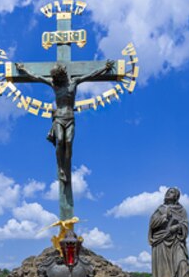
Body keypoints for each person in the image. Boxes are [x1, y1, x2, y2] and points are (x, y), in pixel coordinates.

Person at [14, 60, 115, 211]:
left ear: (62, 74)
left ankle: (66, 166)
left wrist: (104, 68)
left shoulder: (74, 82)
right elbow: (36, 77)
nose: (55, 79)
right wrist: (23, 69)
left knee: (68, 142)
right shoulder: (54, 85)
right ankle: (62, 169)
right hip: (59, 118)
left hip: (70, 118)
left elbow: (90, 75)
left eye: (57, 76)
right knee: (60, 141)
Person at [148, 187, 189, 277]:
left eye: (172, 192)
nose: (168, 193)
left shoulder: (182, 210)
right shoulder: (161, 209)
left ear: (176, 196)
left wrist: (177, 227)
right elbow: (152, 224)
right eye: (167, 191)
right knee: (166, 269)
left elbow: (186, 225)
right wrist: (164, 217)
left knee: (182, 263)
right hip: (162, 241)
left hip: (177, 240)